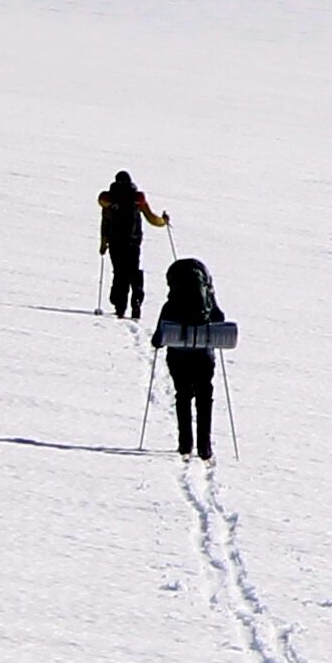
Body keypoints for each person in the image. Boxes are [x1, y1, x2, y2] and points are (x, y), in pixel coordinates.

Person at [151, 257, 228, 462]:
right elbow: (220, 319)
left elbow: (157, 340)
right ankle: (205, 446)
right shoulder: (208, 301)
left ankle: (185, 443)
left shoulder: (171, 304)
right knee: (205, 397)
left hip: (178, 357)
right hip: (204, 355)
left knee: (183, 396)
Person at [96, 171, 168, 317]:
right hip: (133, 241)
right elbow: (152, 219)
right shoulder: (137, 199)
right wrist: (164, 221)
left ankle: (119, 306)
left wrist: (103, 244)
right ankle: (136, 302)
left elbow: (105, 223)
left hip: (115, 242)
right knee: (133, 271)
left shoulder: (109, 199)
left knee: (119, 272)